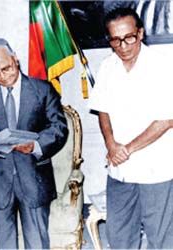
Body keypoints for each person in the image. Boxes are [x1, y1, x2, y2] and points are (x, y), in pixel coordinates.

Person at [0, 38, 68, 249]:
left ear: (15, 59)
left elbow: (59, 128)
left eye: (6, 68)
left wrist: (36, 146)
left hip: (33, 178)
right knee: (1, 244)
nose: (2, 77)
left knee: (37, 242)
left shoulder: (43, 89)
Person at [89, 7, 173, 249]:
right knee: (119, 235)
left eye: (129, 38)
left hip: (155, 169)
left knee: (161, 238)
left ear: (141, 33)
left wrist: (126, 148)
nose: (123, 46)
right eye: (115, 40)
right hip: (119, 169)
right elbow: (102, 109)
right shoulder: (108, 66)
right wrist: (110, 144)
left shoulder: (162, 66)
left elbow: (166, 119)